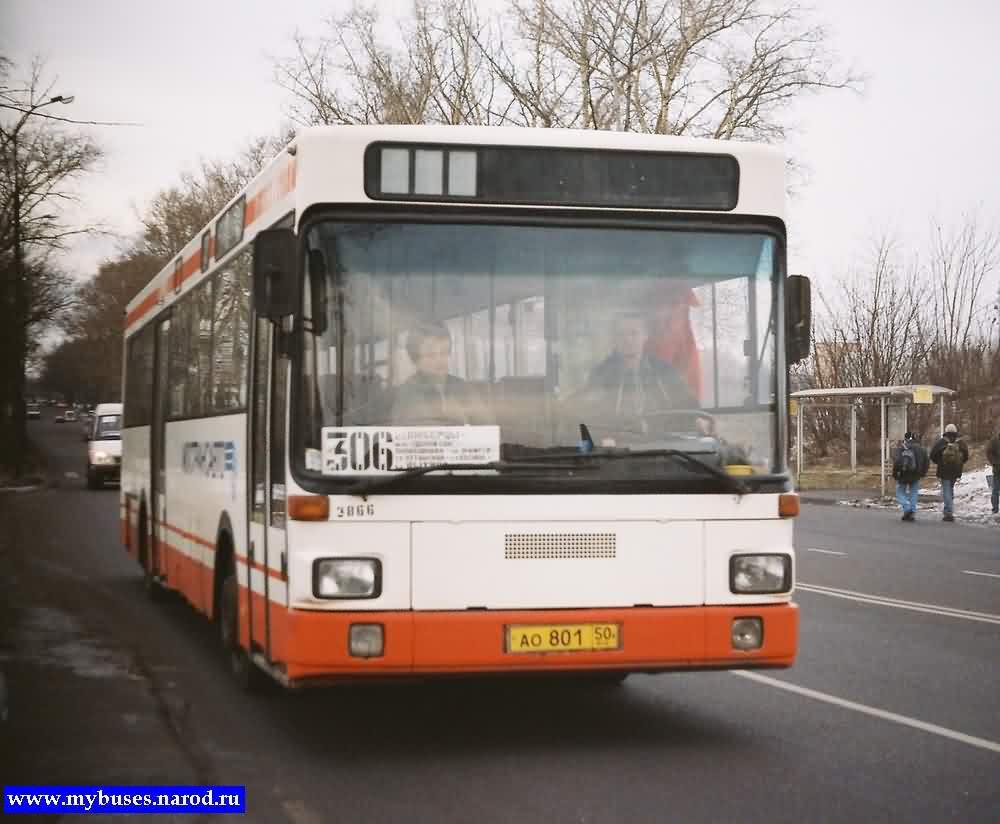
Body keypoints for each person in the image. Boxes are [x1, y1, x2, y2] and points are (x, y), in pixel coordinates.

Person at [583, 312, 699, 432]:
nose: (627, 340)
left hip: (661, 444)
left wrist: (698, 420)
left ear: (645, 336)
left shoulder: (664, 372)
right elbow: (590, 416)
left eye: (634, 333)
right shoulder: (601, 374)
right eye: (621, 334)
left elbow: (687, 405)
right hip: (616, 445)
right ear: (614, 339)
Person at [391, 323, 487, 424]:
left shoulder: (463, 388)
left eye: (444, 352)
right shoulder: (407, 394)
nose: (439, 360)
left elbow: (487, 427)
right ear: (415, 360)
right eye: (430, 354)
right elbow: (405, 433)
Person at [929, 423, 969, 522]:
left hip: (944, 470)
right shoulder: (961, 443)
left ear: (946, 431)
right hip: (956, 470)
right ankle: (949, 507)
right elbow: (966, 456)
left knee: (946, 489)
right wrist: (959, 463)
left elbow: (932, 455)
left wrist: (939, 461)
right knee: (950, 488)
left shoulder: (942, 442)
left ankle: (948, 512)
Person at [892, 431, 929, 521]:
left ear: (905, 439)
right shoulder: (921, 449)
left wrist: (895, 473)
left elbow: (897, 462)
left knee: (900, 492)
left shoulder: (902, 448)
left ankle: (906, 508)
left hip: (903, 474)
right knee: (913, 493)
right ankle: (911, 512)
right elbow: (926, 462)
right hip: (916, 474)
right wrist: (922, 473)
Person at [986, 424, 1000, 515]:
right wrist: (995, 462)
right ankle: (995, 508)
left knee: (995, 490)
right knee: (995, 490)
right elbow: (989, 452)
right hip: (997, 469)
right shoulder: (995, 440)